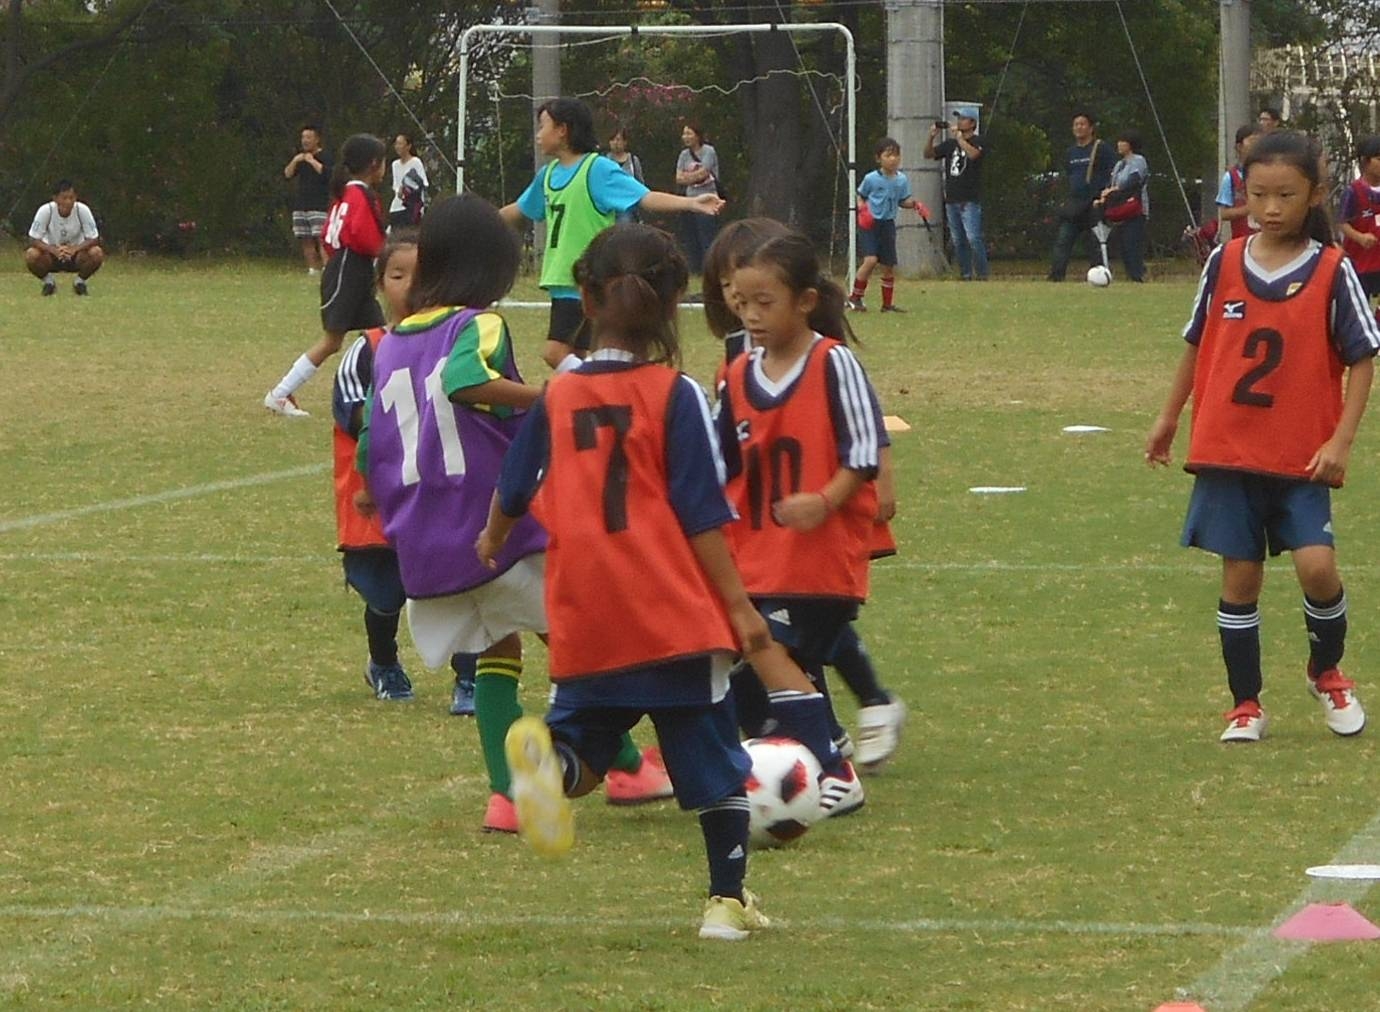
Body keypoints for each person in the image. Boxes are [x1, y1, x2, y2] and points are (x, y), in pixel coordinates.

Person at [476, 223, 773, 940]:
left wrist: (491, 539)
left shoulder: (557, 395)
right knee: (715, 764)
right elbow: (703, 514)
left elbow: (515, 488)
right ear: (674, 306)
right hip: (670, 614)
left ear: (585, 297)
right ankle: (726, 903)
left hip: (587, 612)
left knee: (587, 740)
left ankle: (553, 764)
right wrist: (740, 610)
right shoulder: (675, 397)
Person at [1144, 130, 1380, 743]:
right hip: (1228, 450)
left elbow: (1362, 358)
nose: (1270, 208)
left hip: (1301, 456)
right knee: (1239, 579)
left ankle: (1325, 670)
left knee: (1317, 568)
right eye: (1258, 194)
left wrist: (1342, 442)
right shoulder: (1223, 262)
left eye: (1286, 195)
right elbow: (1197, 345)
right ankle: (1245, 705)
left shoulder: (1331, 270)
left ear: (1316, 196)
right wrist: (1170, 417)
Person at [353, 194, 548, 832]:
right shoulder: (476, 324)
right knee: (579, 638)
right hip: (492, 525)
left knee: (499, 647)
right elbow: (466, 381)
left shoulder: (388, 345)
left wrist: (368, 489)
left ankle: (506, 796)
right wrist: (548, 398)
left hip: (426, 544)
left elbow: (370, 437)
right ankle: (621, 761)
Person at [703, 219, 907, 769]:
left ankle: (826, 762)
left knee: (763, 647)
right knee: (740, 652)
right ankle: (801, 753)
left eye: (760, 300)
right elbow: (717, 453)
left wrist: (826, 500)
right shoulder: (739, 367)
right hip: (759, 550)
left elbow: (864, 446)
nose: (746, 311)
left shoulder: (832, 361)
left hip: (817, 559)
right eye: (735, 296)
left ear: (804, 301)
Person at [331, 227, 479, 713]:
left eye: (424, 276)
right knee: (386, 592)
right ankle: (384, 662)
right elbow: (351, 410)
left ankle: (469, 677)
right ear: (379, 285)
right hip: (387, 497)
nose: (412, 287)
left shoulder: (458, 341)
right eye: (398, 275)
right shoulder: (367, 349)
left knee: (459, 584)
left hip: (446, 495)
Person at [500, 98, 724, 372]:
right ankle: (601, 391)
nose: (537, 134)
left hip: (586, 278)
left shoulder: (597, 169)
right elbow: (520, 209)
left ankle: (599, 387)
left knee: (555, 352)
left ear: (563, 130)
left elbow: (644, 196)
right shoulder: (547, 175)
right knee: (583, 354)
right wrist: (479, 219)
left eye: (542, 126)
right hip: (561, 280)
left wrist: (690, 203)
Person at [264, 134, 388, 418]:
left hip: (348, 269)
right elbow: (362, 235)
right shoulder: (361, 194)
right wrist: (386, 254)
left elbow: (329, 236)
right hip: (348, 271)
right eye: (383, 162)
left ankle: (386, 395)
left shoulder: (346, 192)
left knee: (383, 334)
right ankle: (280, 393)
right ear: (373, 164)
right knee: (333, 341)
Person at [849, 137, 920, 312]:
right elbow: (861, 195)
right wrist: (863, 210)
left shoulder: (901, 180)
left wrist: (915, 205)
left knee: (888, 265)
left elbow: (902, 201)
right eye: (888, 155)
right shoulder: (871, 178)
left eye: (896, 155)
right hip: (871, 224)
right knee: (871, 260)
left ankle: (887, 305)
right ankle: (855, 298)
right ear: (878, 158)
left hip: (888, 224)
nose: (893, 159)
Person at [1047, 111, 1118, 281]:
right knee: (1063, 240)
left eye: (1082, 124)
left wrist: (1105, 196)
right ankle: (1056, 277)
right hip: (1074, 204)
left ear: (1091, 128)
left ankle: (1100, 276)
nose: (1079, 127)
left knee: (1095, 244)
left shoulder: (1101, 148)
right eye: (1076, 124)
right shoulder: (1070, 152)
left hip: (1093, 204)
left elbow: (1114, 173)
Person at [925, 107, 988, 281]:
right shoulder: (950, 144)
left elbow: (974, 155)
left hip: (969, 199)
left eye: (963, 118)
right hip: (952, 198)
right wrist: (931, 137)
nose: (959, 121)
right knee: (958, 240)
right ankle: (965, 273)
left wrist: (960, 140)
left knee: (973, 238)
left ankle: (982, 274)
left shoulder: (978, 141)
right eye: (958, 118)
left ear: (972, 123)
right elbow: (928, 154)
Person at [24, 180, 102, 296]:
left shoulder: (82, 210)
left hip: (76, 255)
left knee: (96, 253)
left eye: (71, 198)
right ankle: (49, 283)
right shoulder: (46, 210)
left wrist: (74, 249)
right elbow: (33, 239)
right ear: (55, 199)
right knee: (31, 254)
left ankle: (79, 283)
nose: (68, 202)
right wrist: (54, 250)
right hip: (51, 255)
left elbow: (94, 238)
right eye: (64, 198)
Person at [1093, 129, 1150, 283]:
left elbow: (1132, 181)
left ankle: (1137, 275)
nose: (1119, 145)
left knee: (1133, 243)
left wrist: (1112, 190)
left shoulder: (1138, 160)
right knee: (1123, 245)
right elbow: (1112, 183)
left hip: (1134, 209)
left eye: (1122, 141)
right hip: (1119, 209)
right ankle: (1130, 274)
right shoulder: (1119, 164)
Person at [674, 122, 722, 276]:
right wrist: (693, 177)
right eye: (684, 134)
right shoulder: (683, 155)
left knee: (707, 235)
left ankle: (710, 269)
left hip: (708, 198)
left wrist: (689, 177)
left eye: (689, 133)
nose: (686, 137)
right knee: (691, 236)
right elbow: (678, 178)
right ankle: (695, 270)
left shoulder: (709, 151)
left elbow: (704, 173)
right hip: (689, 200)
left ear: (698, 135)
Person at [284, 125, 333, 275]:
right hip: (301, 204)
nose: (305, 141)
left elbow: (328, 175)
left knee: (321, 238)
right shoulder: (300, 158)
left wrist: (312, 161)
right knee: (305, 237)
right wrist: (295, 160)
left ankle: (327, 268)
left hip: (319, 205)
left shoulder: (325, 156)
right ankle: (313, 269)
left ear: (317, 139)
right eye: (303, 137)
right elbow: (287, 174)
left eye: (308, 137)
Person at [1339, 136, 1380, 302]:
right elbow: (1342, 223)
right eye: (1378, 159)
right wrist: (1360, 238)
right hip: (1361, 264)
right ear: (1366, 162)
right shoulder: (1353, 191)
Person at [1216, 125, 1260, 243]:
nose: (1256, 146)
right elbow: (1224, 214)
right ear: (1239, 146)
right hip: (1241, 241)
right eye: (1252, 141)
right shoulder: (1230, 177)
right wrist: (1250, 209)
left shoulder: (1268, 175)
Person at [387, 133, 429, 230]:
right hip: (397, 206)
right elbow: (396, 185)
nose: (397, 147)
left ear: (408, 146)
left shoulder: (415, 162)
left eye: (400, 144)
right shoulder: (395, 164)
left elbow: (424, 184)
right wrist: (399, 191)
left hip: (412, 207)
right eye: (396, 144)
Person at [607, 127, 644, 224]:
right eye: (612, 140)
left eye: (618, 139)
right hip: (609, 206)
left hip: (627, 205)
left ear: (625, 142)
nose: (615, 142)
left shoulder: (633, 160)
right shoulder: (604, 160)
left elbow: (640, 183)